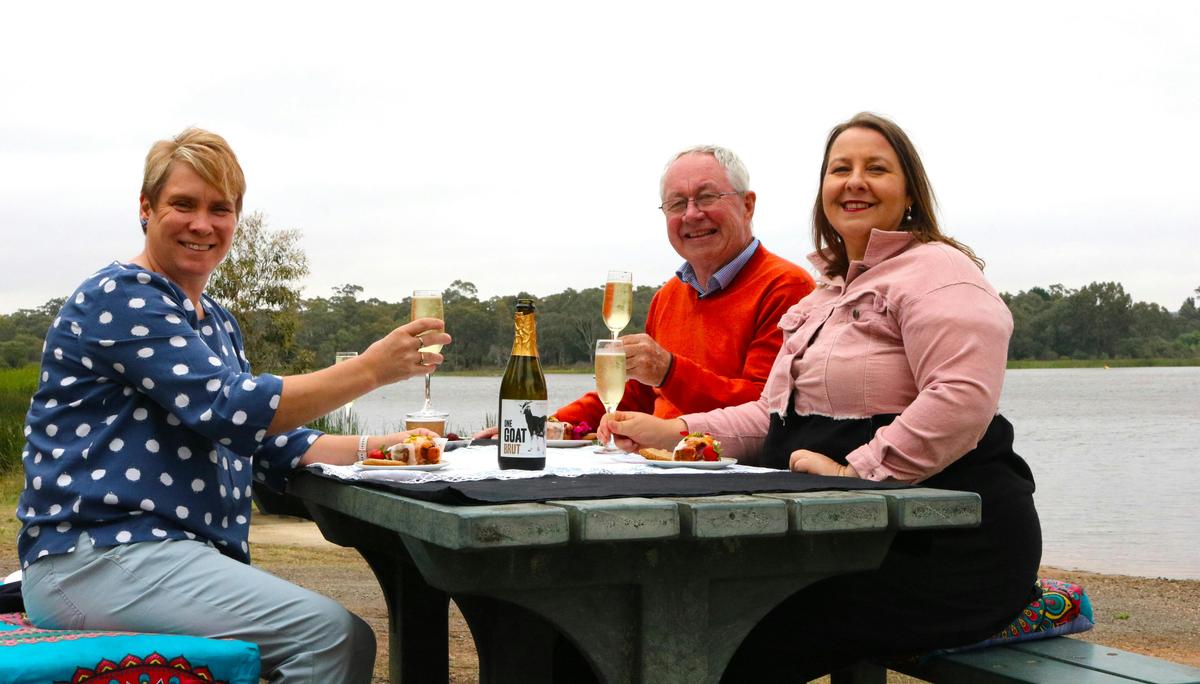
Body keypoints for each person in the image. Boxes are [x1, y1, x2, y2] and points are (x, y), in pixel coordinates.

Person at [602, 113, 1042, 679]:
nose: (854, 181)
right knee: (658, 618)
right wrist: (680, 431)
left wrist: (855, 474)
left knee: (713, 637)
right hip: (846, 536)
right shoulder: (828, 292)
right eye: (841, 169)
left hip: (942, 545)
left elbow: (961, 399)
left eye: (875, 169)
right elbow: (773, 414)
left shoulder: (940, 272)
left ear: (908, 190)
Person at [16, 128, 452, 684]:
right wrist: (369, 369)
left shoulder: (214, 320)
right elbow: (230, 408)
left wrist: (395, 447)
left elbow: (272, 441)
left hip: (155, 560)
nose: (203, 224)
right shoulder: (120, 296)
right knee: (330, 638)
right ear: (146, 209)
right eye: (183, 204)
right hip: (96, 557)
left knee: (330, 637)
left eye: (220, 209)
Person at [477, 145, 815, 438]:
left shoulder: (786, 286)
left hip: (727, 478)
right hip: (657, 466)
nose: (692, 214)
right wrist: (542, 425)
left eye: (707, 197)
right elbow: (634, 393)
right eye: (677, 203)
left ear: (747, 205)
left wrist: (670, 371)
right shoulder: (668, 295)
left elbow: (764, 411)